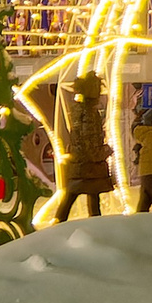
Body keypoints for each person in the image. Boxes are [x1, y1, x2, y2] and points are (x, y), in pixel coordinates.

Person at [51, 70, 112, 220]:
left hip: (80, 162)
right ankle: (92, 226)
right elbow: (89, 140)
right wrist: (104, 151)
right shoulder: (90, 113)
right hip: (89, 165)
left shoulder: (79, 110)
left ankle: (59, 222)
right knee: (88, 198)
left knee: (75, 195)